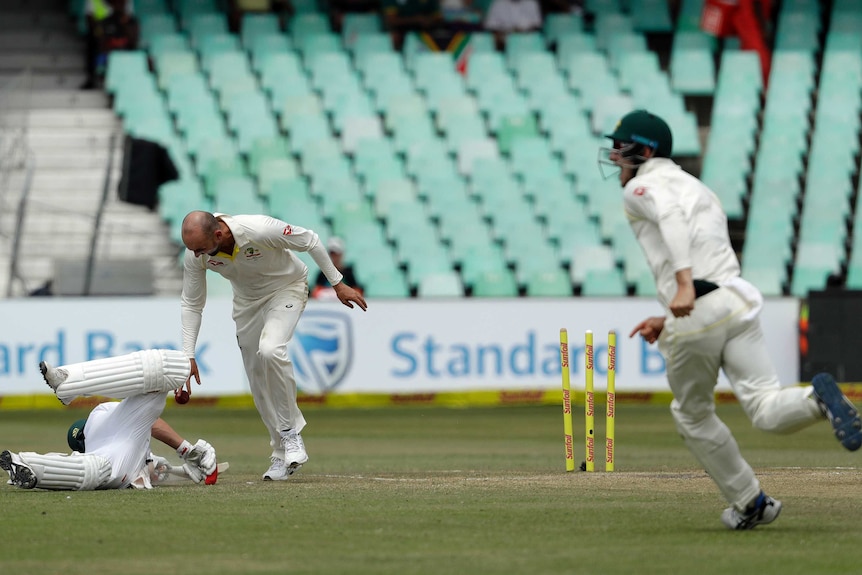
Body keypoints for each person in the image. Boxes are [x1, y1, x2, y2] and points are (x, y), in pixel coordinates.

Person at [599, 109, 862, 530]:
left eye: (620, 147)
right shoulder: (700, 187)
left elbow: (669, 217)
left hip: (698, 312)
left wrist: (683, 287)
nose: (614, 157)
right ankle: (817, 399)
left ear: (644, 150)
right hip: (736, 301)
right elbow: (708, 261)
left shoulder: (641, 188)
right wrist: (668, 317)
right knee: (765, 406)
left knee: (692, 414)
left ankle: (750, 502)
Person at [179, 211, 367, 481]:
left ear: (218, 234)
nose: (196, 256)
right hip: (247, 304)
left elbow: (311, 240)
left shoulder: (259, 228)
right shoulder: (196, 254)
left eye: (199, 249)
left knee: (270, 350)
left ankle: (291, 435)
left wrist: (337, 284)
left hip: (286, 288)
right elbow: (191, 303)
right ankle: (280, 452)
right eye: (192, 250)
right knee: (256, 377)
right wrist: (189, 354)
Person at [1, 350, 218, 491]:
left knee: (96, 470)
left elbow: (143, 427)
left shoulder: (98, 424)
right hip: (121, 461)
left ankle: (27, 464)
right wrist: (184, 454)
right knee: (165, 368)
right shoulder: (99, 413)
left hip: (116, 467)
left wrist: (174, 460)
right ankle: (70, 380)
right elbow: (148, 423)